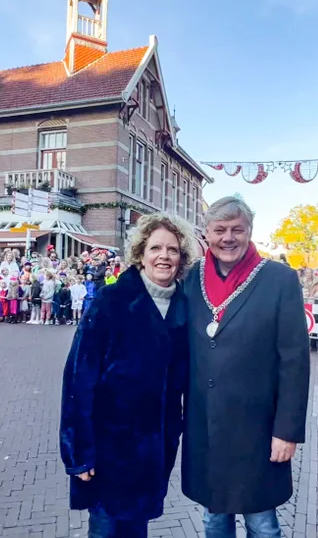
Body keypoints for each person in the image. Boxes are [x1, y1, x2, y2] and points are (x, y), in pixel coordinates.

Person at [182, 196, 309, 538]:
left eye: (237, 229)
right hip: (205, 425)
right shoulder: (189, 278)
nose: (228, 237)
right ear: (206, 232)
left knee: (262, 523)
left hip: (258, 428)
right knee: (213, 518)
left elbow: (295, 361)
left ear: (250, 232)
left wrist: (287, 431)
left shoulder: (279, 279)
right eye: (219, 229)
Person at [60, 212, 194, 538]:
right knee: (106, 529)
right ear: (141, 254)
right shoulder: (112, 301)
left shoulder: (186, 307)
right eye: (156, 248)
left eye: (172, 250)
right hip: (110, 446)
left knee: (136, 529)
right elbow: (79, 377)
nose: (164, 256)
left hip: (155, 447)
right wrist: (79, 453)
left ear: (181, 258)